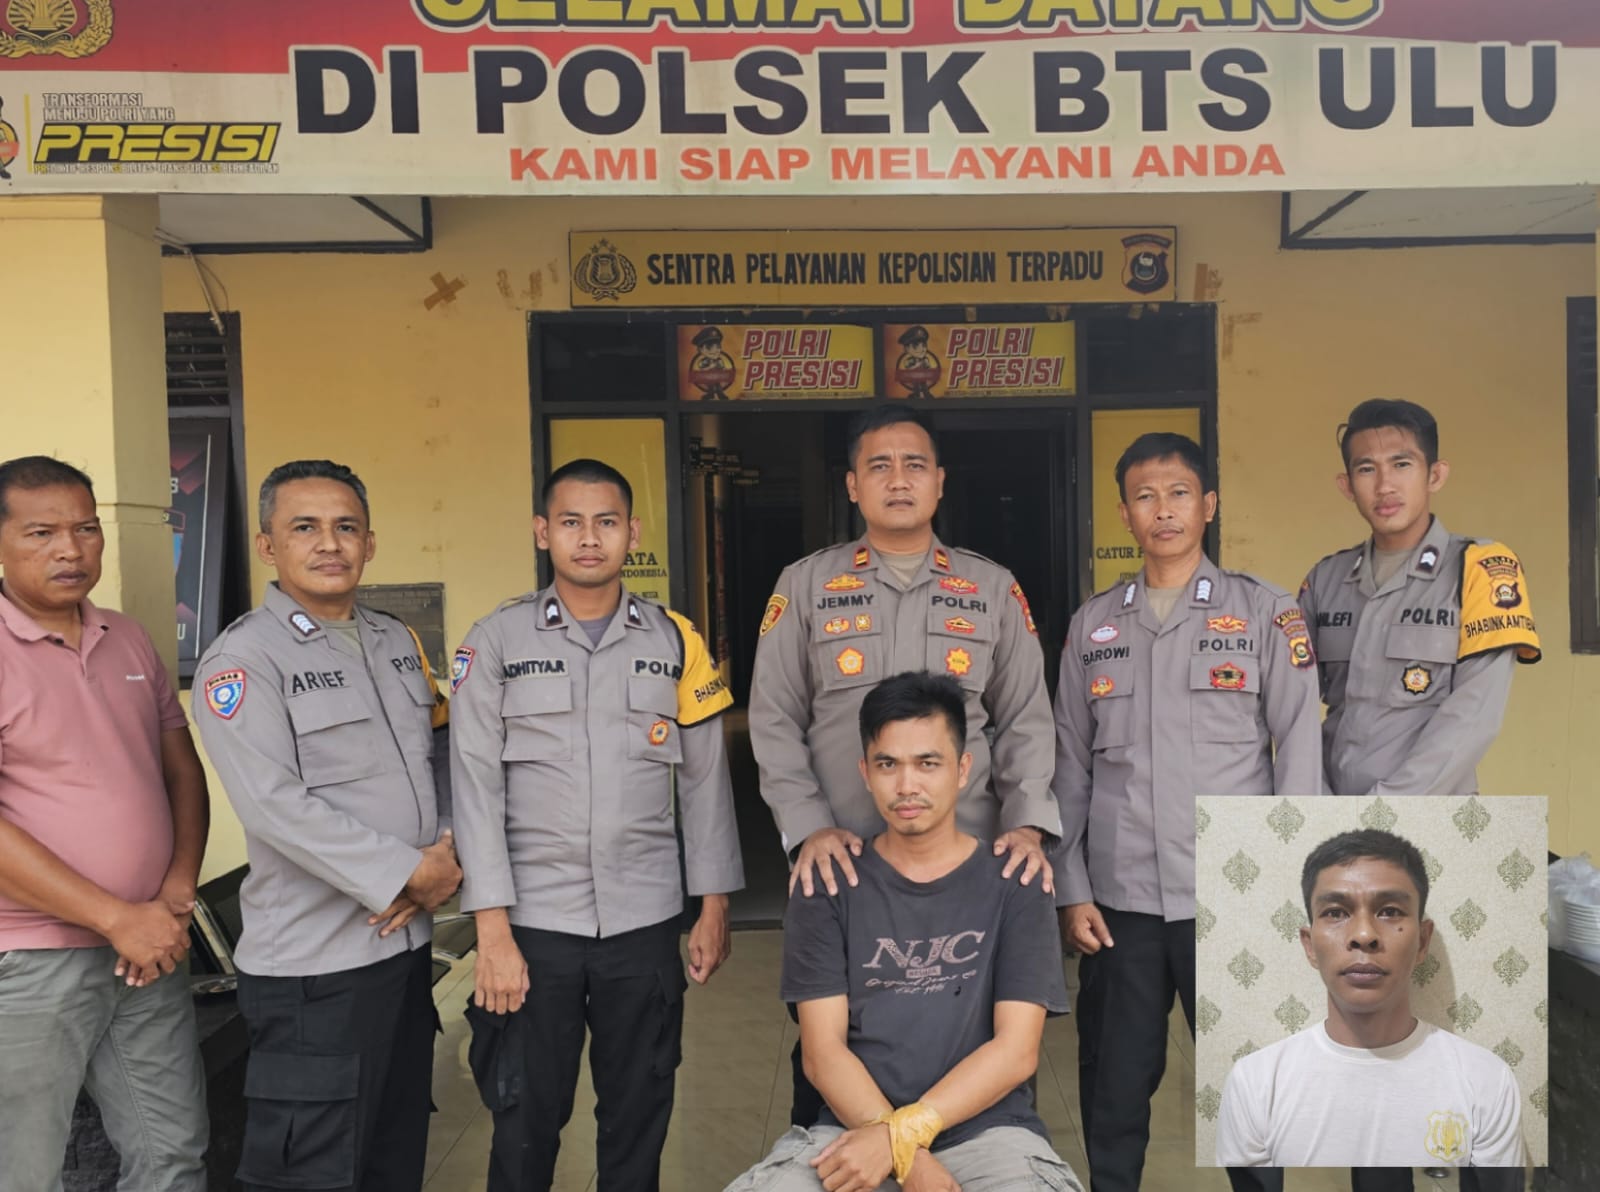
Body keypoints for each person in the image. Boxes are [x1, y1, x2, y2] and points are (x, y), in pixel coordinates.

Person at [750, 402, 1061, 1126]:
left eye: (914, 465)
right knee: (834, 1051)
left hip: (965, 872)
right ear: (852, 484)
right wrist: (807, 828)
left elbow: (1026, 717)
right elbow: (772, 719)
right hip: (845, 872)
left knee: (977, 1041)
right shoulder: (805, 585)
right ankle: (849, 1149)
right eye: (879, 466)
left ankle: (981, 1151)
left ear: (940, 481)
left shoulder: (989, 588)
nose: (898, 480)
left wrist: (1026, 826)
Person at [451, 457, 744, 1191]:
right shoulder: (496, 641)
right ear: (542, 531)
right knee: (524, 1118)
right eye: (572, 522)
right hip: (532, 925)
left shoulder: (676, 640)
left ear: (632, 533)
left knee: (638, 1116)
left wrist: (713, 906)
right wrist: (491, 933)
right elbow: (475, 790)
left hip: (643, 921)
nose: (590, 538)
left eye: (606, 522)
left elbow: (706, 785)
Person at [1052, 432, 1323, 1192]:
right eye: (1145, 496)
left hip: (1233, 893)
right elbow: (1069, 764)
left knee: (1249, 1088)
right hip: (1121, 902)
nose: (1163, 510)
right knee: (1114, 1087)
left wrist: (1291, 882)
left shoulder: (1265, 612)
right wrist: (1070, 888)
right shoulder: (1093, 626)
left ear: (1208, 505)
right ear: (1124, 513)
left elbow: (1301, 753)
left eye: (1178, 494)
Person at [195, 459, 458, 1192]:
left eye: (346, 527)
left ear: (369, 542)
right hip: (316, 971)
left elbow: (440, 749)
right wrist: (407, 873)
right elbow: (272, 803)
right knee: (311, 1169)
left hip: (403, 951)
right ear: (267, 545)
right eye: (304, 527)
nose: (329, 544)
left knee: (392, 1153)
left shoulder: (395, 640)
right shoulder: (244, 659)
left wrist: (446, 848)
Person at [725, 671, 1082, 1192]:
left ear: (963, 769)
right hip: (852, 1129)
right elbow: (823, 1053)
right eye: (888, 764)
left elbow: (1016, 1050)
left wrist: (906, 1133)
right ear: (865, 773)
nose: (907, 786)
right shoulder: (826, 884)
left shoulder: (1016, 882)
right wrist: (905, 1155)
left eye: (927, 763)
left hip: (989, 1134)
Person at [0, 455, 210, 1192]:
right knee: (22, 1171)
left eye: (86, 529)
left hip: (149, 947)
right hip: (31, 958)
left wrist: (175, 893)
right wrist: (115, 917)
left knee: (172, 1155)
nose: (70, 549)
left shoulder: (127, 637)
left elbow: (180, 769)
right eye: (42, 533)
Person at [1217, 829, 1524, 1185]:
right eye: (1336, 912)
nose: (1364, 935)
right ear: (1310, 945)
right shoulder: (1255, 1083)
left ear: (1422, 941)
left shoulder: (1486, 1081)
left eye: (1390, 911)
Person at [1299, 399, 1541, 798]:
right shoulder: (1326, 579)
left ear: (1435, 475)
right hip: (1333, 812)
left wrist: (1388, 807)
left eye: (1401, 464)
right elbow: (1293, 704)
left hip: (1434, 813)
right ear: (1347, 486)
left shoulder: (1479, 568)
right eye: (1366, 469)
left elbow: (1474, 714)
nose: (1384, 486)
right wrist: (1318, 799)